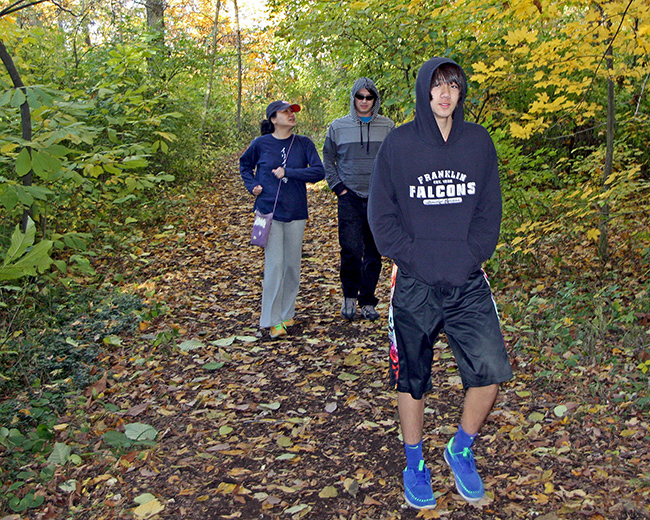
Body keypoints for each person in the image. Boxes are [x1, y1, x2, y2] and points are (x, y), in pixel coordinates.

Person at [368, 57, 513, 509]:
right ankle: (415, 464)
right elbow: (381, 215)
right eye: (436, 86)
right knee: (411, 379)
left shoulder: (478, 143)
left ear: (460, 91)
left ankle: (460, 449)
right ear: (422, 92)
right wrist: (412, 258)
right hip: (414, 284)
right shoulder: (400, 145)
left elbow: (490, 211)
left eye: (452, 85)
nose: (445, 94)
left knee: (490, 370)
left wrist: (470, 255)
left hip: (467, 281)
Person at [240, 100, 325, 339]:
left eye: (293, 112)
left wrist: (290, 173)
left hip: (296, 212)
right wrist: (252, 185)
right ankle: (271, 319)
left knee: (291, 266)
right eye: (285, 112)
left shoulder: (304, 143)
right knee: (275, 265)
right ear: (273, 119)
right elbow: (244, 165)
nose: (291, 115)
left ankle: (287, 314)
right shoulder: (260, 144)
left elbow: (319, 172)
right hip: (268, 212)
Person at [323, 78, 395, 321]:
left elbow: (394, 161)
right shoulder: (337, 127)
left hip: (378, 198)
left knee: (374, 253)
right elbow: (328, 160)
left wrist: (391, 192)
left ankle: (368, 300)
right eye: (360, 97)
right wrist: (339, 188)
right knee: (351, 249)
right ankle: (349, 296)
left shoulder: (387, 126)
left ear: (375, 100)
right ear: (353, 98)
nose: (364, 101)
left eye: (369, 97)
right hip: (349, 197)